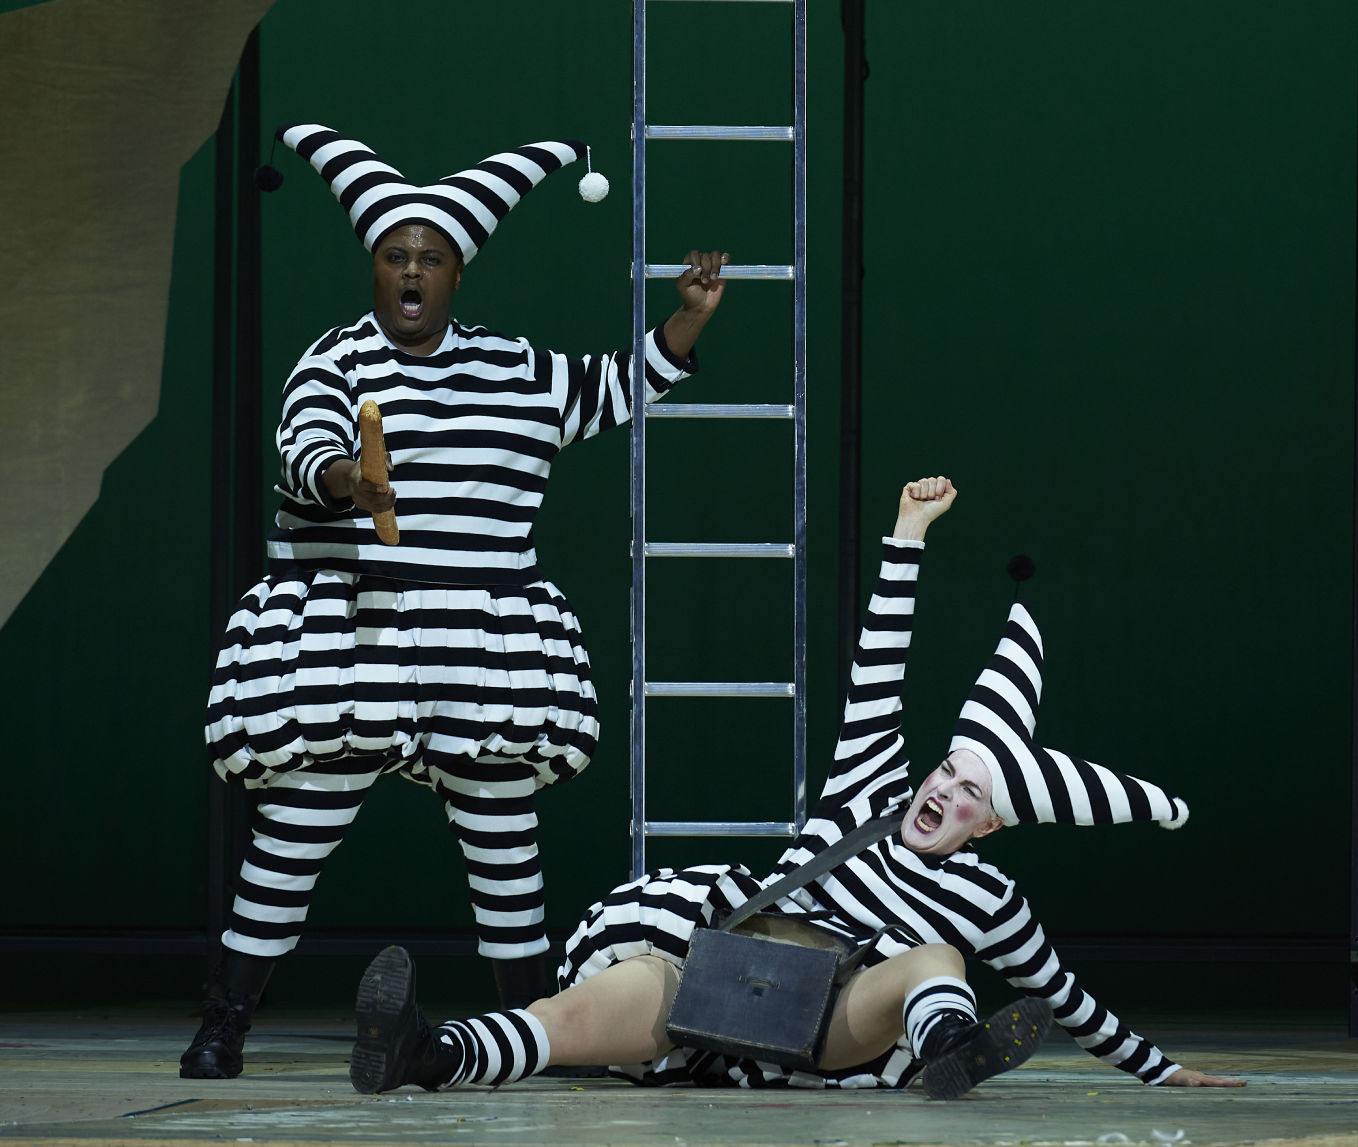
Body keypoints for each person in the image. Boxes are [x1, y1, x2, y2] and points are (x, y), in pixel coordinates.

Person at [347, 475, 1246, 1100]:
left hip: (828, 1010)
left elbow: (1068, 996)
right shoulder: (868, 791)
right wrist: (908, 538)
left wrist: (1161, 1070)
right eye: (947, 771)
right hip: (721, 965)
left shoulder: (988, 896)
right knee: (574, 1012)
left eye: (968, 795)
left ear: (991, 826)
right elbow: (878, 667)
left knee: (938, 963)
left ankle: (949, 1051)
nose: (942, 792)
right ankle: (422, 1052)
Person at [181, 126, 729, 1080]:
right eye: (395, 256)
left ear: (457, 277)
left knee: (504, 847)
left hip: (479, 641)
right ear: (374, 267)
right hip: (354, 635)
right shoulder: (332, 362)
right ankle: (224, 1018)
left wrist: (686, 321)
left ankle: (531, 1028)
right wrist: (356, 483)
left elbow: (616, 386)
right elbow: (306, 455)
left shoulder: (515, 367)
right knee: (296, 835)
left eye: (430, 259)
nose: (411, 271)